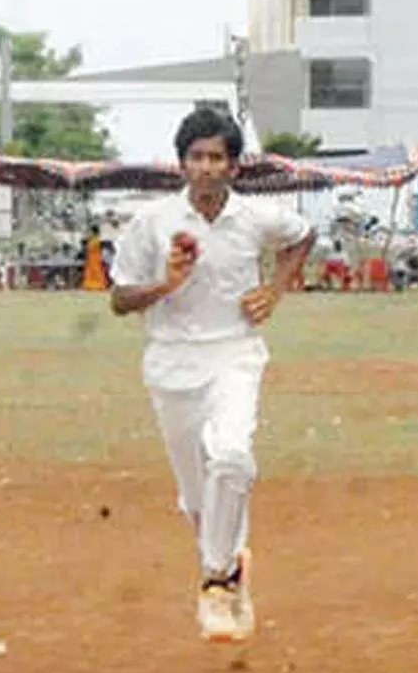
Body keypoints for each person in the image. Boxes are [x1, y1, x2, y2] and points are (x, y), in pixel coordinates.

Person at [109, 108, 314, 644]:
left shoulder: (254, 216)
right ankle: (231, 563)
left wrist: (276, 288)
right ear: (181, 164)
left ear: (234, 166)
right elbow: (118, 299)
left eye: (216, 158)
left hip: (235, 354)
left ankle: (216, 581)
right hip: (171, 361)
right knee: (198, 500)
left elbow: (303, 235)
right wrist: (165, 285)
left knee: (232, 456)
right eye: (196, 157)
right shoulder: (151, 222)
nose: (205, 167)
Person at [81, 225, 109, 291]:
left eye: (90, 231)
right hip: (90, 259)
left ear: (94, 232)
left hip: (95, 259)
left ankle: (99, 285)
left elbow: (90, 248)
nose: (89, 233)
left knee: (97, 272)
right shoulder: (91, 240)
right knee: (89, 272)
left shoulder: (96, 240)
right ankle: (89, 285)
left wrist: (88, 240)